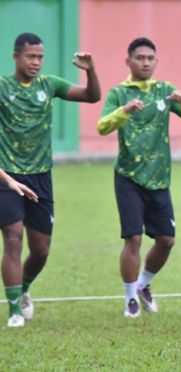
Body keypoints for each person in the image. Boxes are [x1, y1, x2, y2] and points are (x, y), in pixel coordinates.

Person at [0, 32, 100, 327]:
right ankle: (15, 310)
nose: (36, 62)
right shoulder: (3, 87)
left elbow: (92, 97)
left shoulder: (50, 84)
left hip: (41, 176)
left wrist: (91, 70)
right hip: (7, 175)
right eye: (30, 56)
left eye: (40, 57)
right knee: (13, 238)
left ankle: (24, 288)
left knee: (41, 249)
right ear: (16, 56)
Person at [97, 37, 181, 318]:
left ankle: (143, 285)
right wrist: (125, 110)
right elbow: (101, 126)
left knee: (167, 240)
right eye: (140, 58)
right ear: (129, 62)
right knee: (132, 238)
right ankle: (130, 300)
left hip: (159, 178)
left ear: (156, 62)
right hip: (128, 177)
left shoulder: (165, 90)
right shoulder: (118, 93)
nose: (146, 63)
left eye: (150, 58)